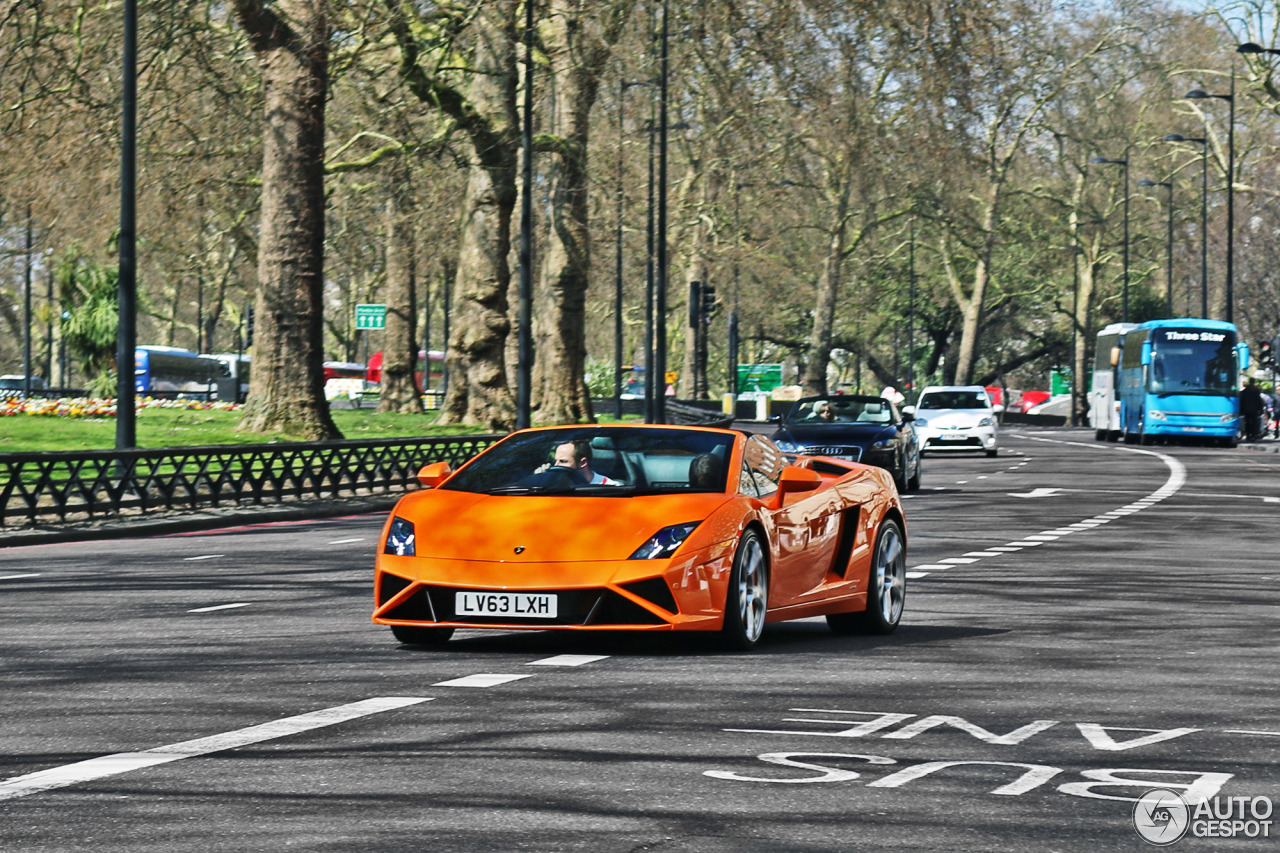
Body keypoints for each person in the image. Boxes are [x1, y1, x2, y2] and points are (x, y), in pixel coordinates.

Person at [554, 440, 619, 485]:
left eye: (563, 461)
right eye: (556, 461)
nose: (556, 465)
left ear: (583, 463)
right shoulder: (553, 487)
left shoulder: (610, 488)